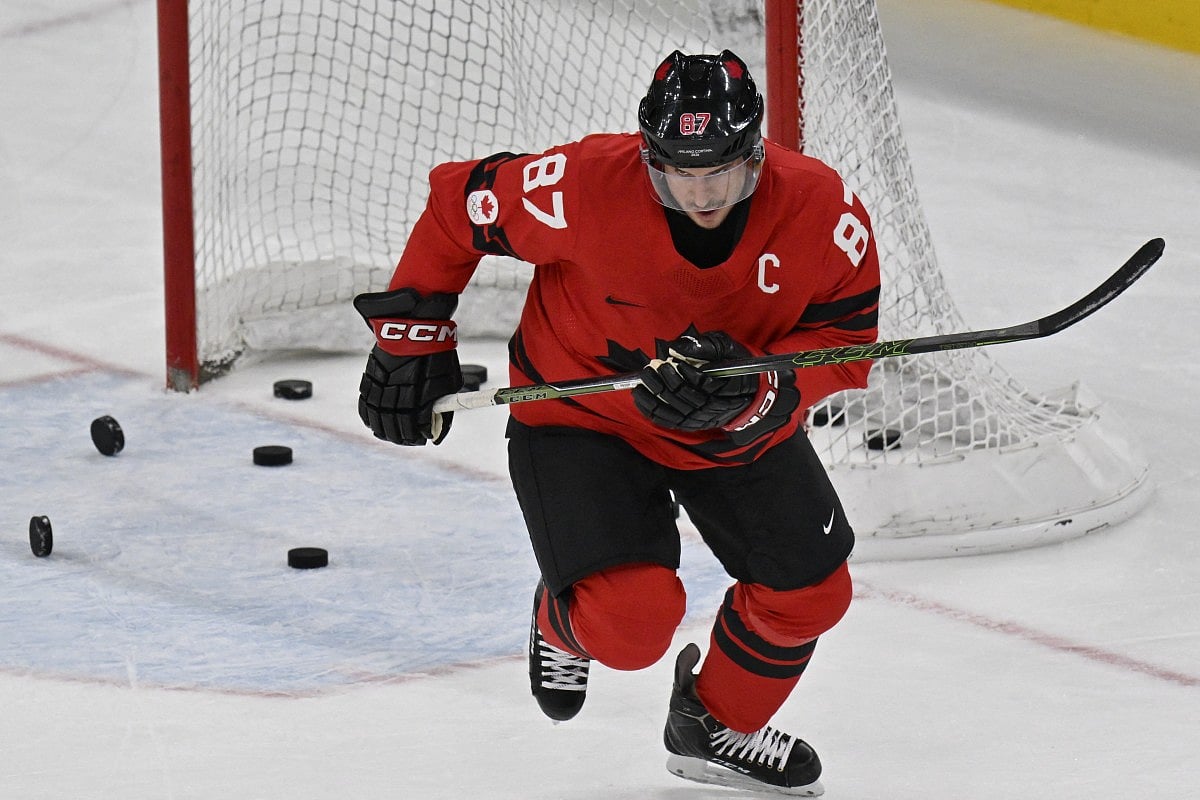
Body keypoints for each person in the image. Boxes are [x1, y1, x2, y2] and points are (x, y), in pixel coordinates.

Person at [354, 49, 880, 796]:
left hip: (729, 423)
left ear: (756, 156)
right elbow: (454, 206)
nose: (700, 194)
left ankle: (713, 725)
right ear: (648, 157)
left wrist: (760, 389)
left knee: (812, 594)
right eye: (677, 175)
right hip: (580, 417)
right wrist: (414, 337)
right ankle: (560, 613)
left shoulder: (824, 210)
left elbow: (849, 342)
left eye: (720, 174)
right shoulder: (579, 186)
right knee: (630, 628)